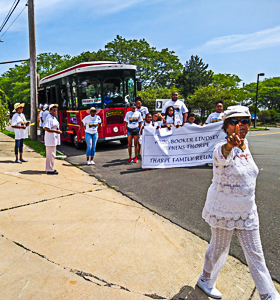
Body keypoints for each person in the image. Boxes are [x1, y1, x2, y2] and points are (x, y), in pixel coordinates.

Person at [197, 106, 280, 300]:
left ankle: (269, 295)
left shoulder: (246, 144)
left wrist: (239, 145)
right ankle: (205, 279)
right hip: (223, 210)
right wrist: (229, 146)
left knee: (256, 255)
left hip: (247, 211)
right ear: (226, 127)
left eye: (245, 121)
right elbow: (223, 155)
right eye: (234, 122)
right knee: (218, 250)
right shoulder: (221, 147)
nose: (240, 125)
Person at [44, 104, 62, 175]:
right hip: (50, 138)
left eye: (56, 110)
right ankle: (49, 169)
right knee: (50, 155)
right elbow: (46, 128)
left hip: (54, 138)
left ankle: (51, 167)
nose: (55, 112)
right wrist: (56, 131)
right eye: (54, 110)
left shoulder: (54, 118)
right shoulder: (49, 118)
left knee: (53, 154)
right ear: (50, 111)